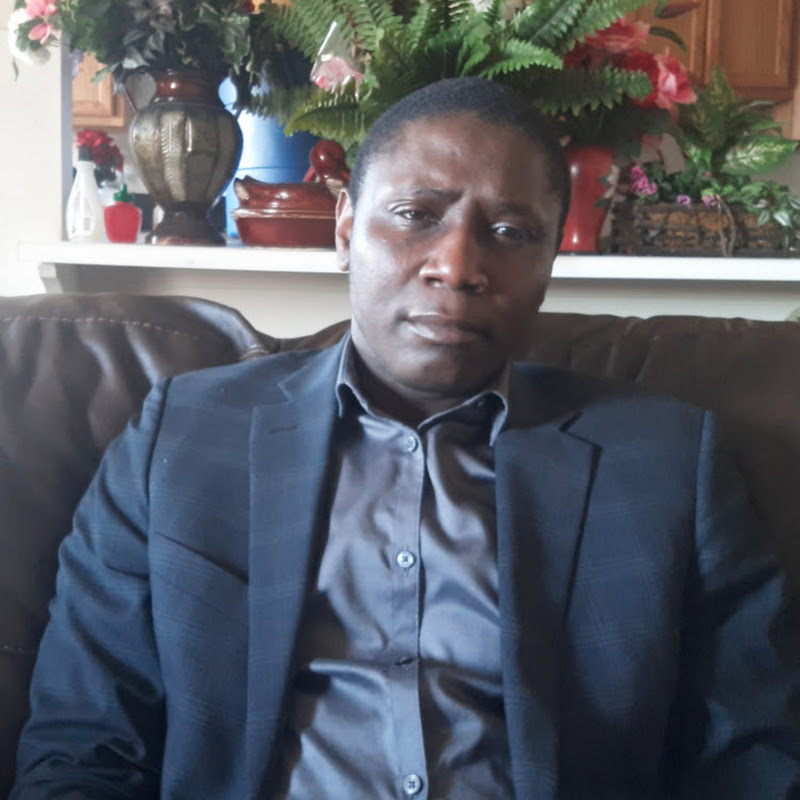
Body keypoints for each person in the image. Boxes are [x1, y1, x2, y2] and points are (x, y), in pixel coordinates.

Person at [11, 78, 800, 799]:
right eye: (417, 216)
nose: (457, 266)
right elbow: (84, 744)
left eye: (509, 230)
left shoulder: (668, 463)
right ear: (345, 228)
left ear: (549, 260)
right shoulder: (180, 439)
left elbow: (752, 758)